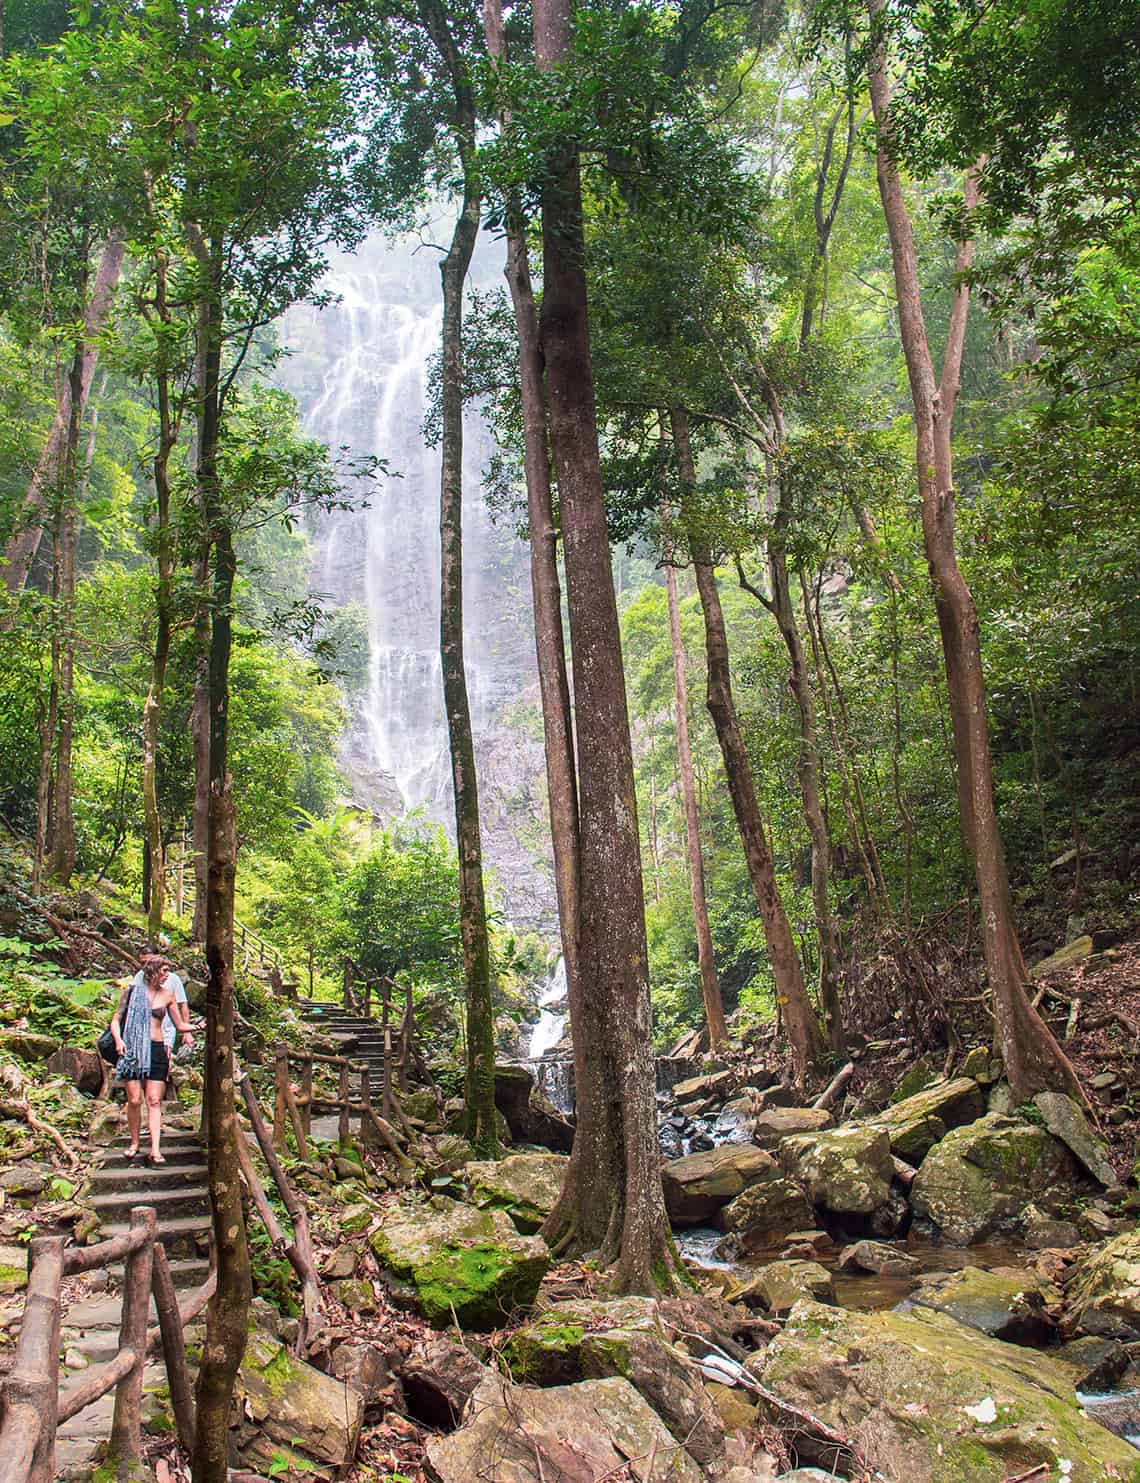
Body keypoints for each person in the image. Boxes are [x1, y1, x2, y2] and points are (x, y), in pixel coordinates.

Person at [110, 946, 193, 1164]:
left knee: (154, 1100)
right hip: (133, 1049)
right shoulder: (132, 992)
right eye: (164, 971)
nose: (168, 975)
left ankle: (155, 1148)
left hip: (157, 1049)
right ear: (153, 971)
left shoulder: (169, 994)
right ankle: (135, 1142)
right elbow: (116, 1019)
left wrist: (198, 1027)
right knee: (135, 1099)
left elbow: (180, 1024)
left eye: (168, 971)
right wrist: (119, 1041)